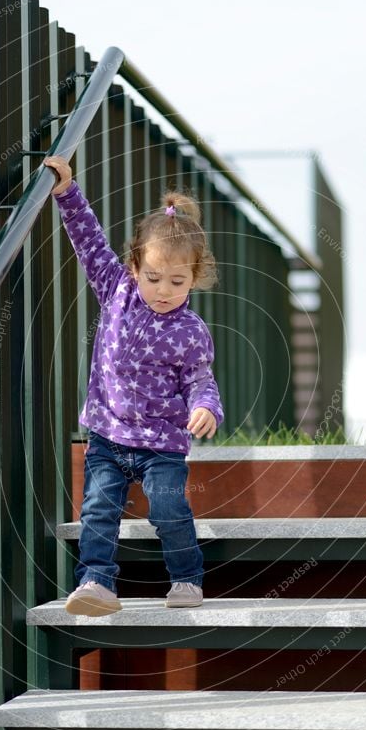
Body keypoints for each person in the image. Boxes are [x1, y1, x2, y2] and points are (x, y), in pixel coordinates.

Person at [44, 155, 224, 616]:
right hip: (106, 433)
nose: (164, 289)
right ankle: (96, 583)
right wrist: (67, 191)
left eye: (178, 281)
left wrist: (206, 407)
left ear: (195, 277)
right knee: (99, 509)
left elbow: (201, 379)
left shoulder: (190, 330)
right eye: (154, 277)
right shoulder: (115, 290)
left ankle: (186, 577)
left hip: (162, 443)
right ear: (134, 267)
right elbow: (88, 241)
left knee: (166, 509)